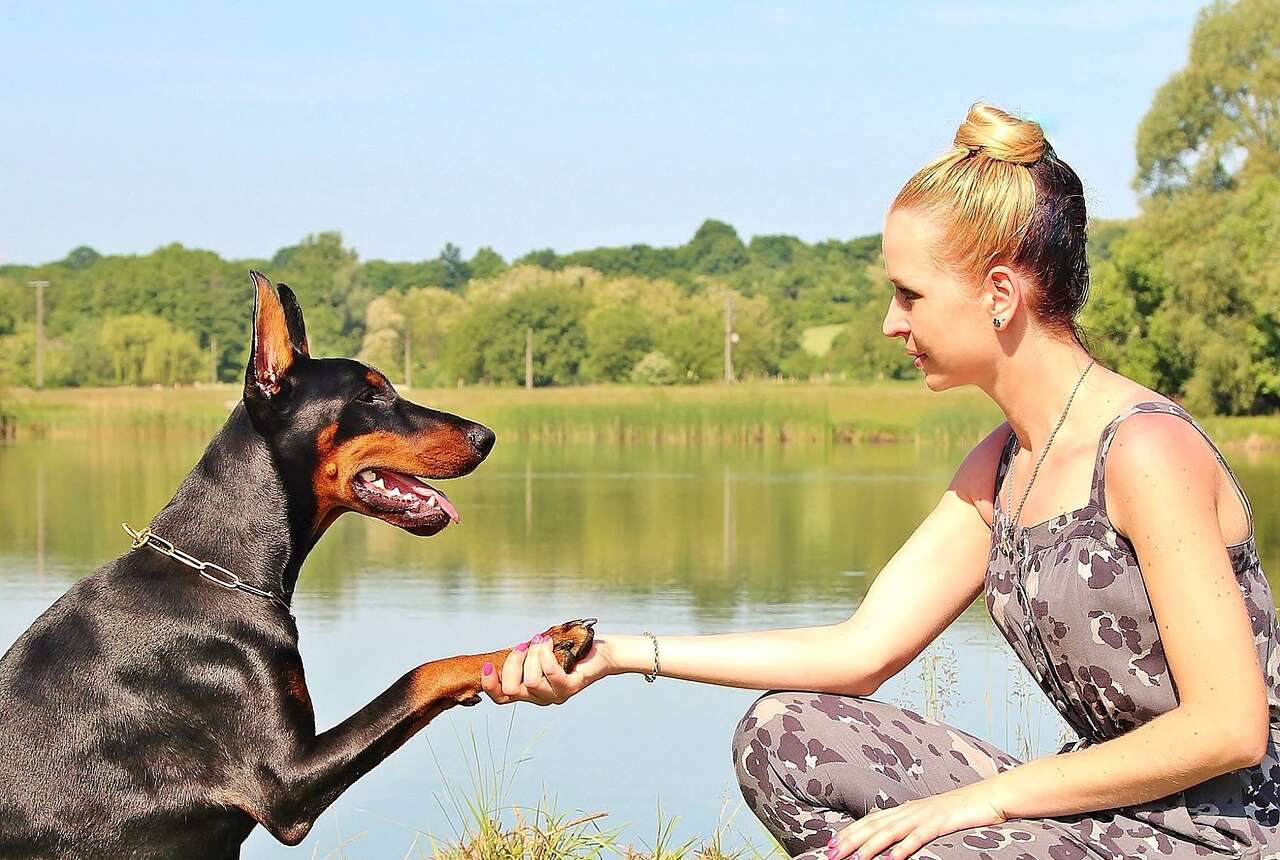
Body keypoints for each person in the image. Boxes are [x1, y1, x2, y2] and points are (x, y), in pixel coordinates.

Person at [479, 102, 1280, 859]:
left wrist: (992, 798)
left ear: (999, 294)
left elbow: (1229, 728)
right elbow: (858, 650)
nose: (892, 323)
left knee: (940, 844)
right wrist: (621, 653)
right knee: (781, 737)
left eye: (910, 294)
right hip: (1099, 817)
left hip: (1225, 837)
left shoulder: (1143, 449)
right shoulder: (1001, 467)